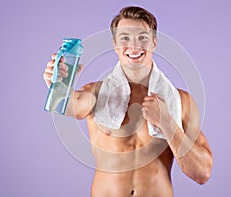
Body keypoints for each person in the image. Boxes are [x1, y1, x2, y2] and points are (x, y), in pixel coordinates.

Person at [43, 6, 213, 197]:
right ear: (115, 45)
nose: (134, 46)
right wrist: (58, 87)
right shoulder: (96, 93)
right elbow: (70, 105)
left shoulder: (180, 101)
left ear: (154, 42)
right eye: (125, 38)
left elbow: (202, 173)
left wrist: (166, 122)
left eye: (142, 37)